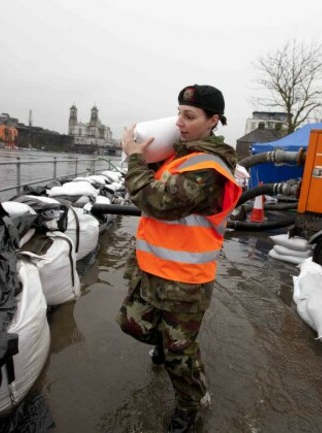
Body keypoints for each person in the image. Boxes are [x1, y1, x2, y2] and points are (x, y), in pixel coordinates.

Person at [117, 84, 243, 433]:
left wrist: (134, 158)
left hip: (185, 282)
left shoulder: (208, 166)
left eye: (190, 116)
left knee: (179, 355)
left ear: (213, 120)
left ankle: (189, 406)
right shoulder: (180, 155)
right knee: (131, 322)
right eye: (179, 113)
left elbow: (156, 201)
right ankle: (170, 344)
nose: (180, 122)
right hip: (153, 270)